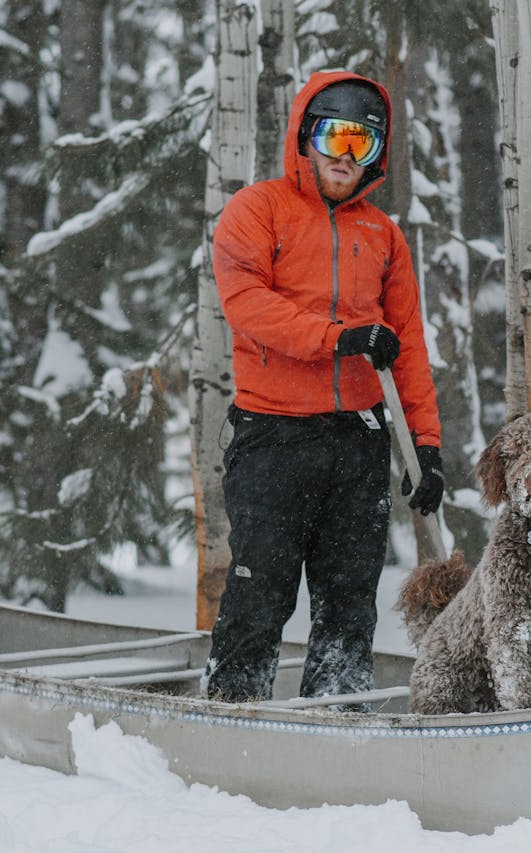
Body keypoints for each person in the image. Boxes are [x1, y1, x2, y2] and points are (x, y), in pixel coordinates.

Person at [202, 70, 443, 705]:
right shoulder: (258, 209)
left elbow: (408, 345)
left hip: (357, 444)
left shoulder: (383, 235)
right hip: (273, 436)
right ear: (307, 137)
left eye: (361, 144)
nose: (344, 156)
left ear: (376, 156)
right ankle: (232, 714)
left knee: (349, 603)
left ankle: (338, 720)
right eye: (334, 136)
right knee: (262, 593)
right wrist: (339, 337)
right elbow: (247, 304)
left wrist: (425, 448)